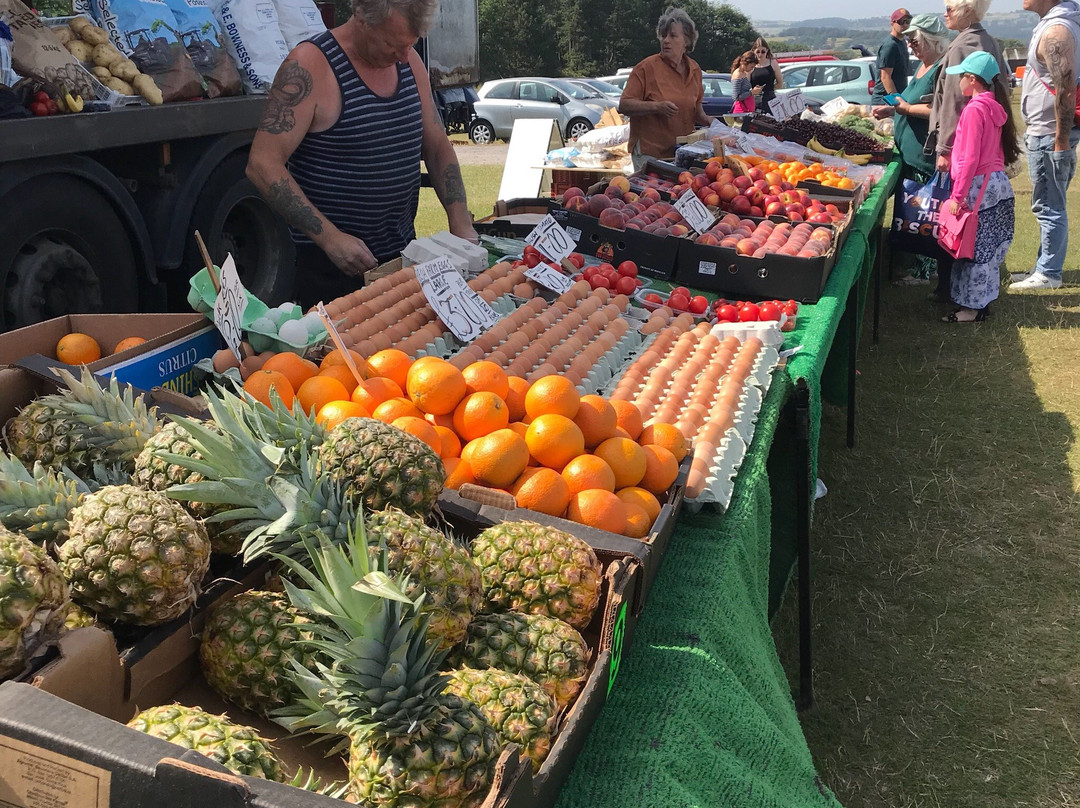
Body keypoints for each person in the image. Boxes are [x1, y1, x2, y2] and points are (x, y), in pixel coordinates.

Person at [246, 0, 477, 310]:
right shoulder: (310, 65)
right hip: (329, 269)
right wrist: (330, 238)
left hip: (399, 261)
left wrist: (460, 221)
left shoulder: (409, 63)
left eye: (410, 45)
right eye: (392, 44)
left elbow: (437, 146)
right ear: (361, 18)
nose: (403, 56)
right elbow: (263, 164)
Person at [926, 0, 1011, 301]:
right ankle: (968, 295)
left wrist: (944, 148)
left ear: (968, 10)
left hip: (968, 170)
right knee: (983, 239)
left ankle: (956, 293)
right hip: (990, 175)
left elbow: (951, 103)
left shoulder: (968, 44)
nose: (944, 12)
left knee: (961, 230)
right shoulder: (987, 42)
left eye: (949, 7)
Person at [940, 51, 1020, 322]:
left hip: (977, 187)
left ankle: (970, 309)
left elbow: (969, 157)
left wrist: (958, 195)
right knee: (989, 248)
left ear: (972, 79)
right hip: (997, 184)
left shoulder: (974, 109)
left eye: (962, 76)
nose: (959, 81)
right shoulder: (994, 106)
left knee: (973, 248)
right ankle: (981, 301)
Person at [872, 13, 950, 284]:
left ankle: (922, 272)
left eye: (915, 41)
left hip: (924, 156)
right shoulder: (922, 66)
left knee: (923, 214)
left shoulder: (941, 67)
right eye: (909, 41)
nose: (911, 46)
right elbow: (908, 99)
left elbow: (942, 110)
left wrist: (905, 109)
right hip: (908, 151)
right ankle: (907, 266)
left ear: (931, 40)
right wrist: (893, 108)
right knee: (909, 214)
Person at [1009, 0, 1080, 290]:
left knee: (1049, 205)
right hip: (1050, 133)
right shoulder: (1059, 24)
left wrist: (1060, 141)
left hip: (1050, 134)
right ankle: (1043, 267)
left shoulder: (1057, 31)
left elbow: (1065, 90)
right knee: (1049, 202)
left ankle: (1048, 273)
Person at [619, 7, 713, 168]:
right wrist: (657, 107)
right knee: (654, 193)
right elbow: (624, 105)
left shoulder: (695, 69)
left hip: (683, 153)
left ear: (687, 41)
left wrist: (719, 127)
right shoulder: (646, 68)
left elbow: (698, 114)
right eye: (663, 36)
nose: (666, 40)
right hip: (650, 155)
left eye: (673, 36)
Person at [873, 8, 912, 103]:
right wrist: (896, 100)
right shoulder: (890, 45)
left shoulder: (902, 42)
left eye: (908, 21)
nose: (905, 25)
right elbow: (885, 77)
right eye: (902, 22)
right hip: (885, 100)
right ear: (892, 24)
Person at [749, 37, 783, 116]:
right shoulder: (751, 65)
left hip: (770, 100)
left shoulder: (773, 63)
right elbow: (746, 84)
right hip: (755, 100)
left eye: (763, 51)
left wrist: (768, 89)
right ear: (754, 51)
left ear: (767, 51)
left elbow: (780, 84)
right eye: (758, 52)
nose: (760, 54)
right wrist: (754, 91)